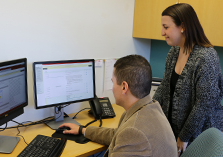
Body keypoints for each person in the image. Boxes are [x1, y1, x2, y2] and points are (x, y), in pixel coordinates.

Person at [59, 55, 177, 157]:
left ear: (124, 87)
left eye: (113, 82)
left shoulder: (134, 131)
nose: (112, 87)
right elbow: (118, 135)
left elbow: (127, 134)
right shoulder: (149, 107)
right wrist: (83, 130)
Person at [153, 3, 223, 156]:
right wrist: (149, 112)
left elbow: (204, 104)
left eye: (166, 27)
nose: (162, 32)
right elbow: (164, 87)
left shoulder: (206, 57)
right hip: (174, 132)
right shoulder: (174, 51)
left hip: (198, 136)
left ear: (182, 26)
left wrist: (184, 136)